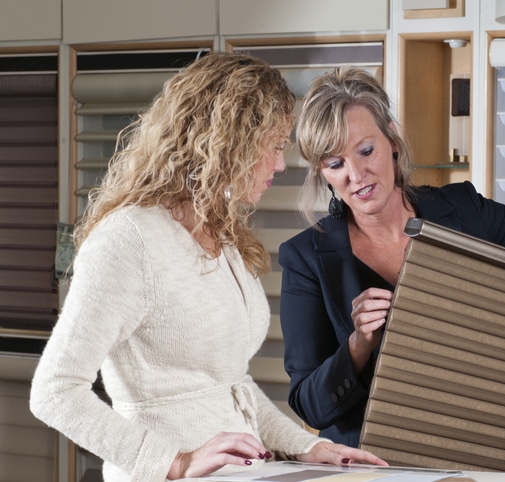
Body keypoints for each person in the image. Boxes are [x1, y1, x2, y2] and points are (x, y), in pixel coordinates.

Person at [29, 53, 387, 482]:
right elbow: (55, 392)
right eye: (273, 146)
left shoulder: (221, 236)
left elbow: (230, 388)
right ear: (229, 141)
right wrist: (173, 463)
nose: (278, 164)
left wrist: (309, 446)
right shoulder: (129, 240)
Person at [278, 67, 505, 448]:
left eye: (366, 151)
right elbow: (309, 406)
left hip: (483, 446)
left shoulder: (465, 209)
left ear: (392, 139)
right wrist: (358, 345)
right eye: (335, 163)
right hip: (376, 463)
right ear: (322, 173)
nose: (357, 174)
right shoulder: (305, 257)